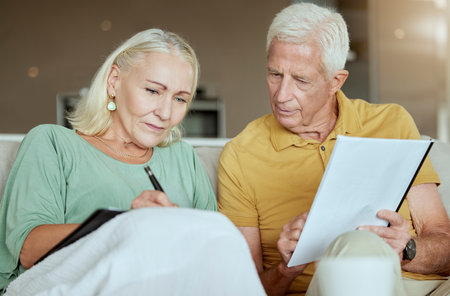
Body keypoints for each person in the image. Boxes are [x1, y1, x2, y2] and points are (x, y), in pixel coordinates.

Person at [0, 29, 264, 295]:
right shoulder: (53, 143)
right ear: (114, 81)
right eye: (152, 90)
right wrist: (128, 223)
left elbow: (213, 253)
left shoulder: (184, 158)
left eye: (180, 99)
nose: (165, 113)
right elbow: (29, 249)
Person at [217, 3, 450, 296]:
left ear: (335, 82)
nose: (281, 94)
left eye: (300, 80)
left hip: (421, 285)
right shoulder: (241, 155)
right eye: (275, 74)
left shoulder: (392, 122)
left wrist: (408, 249)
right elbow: (244, 289)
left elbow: (445, 243)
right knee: (358, 247)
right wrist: (285, 270)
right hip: (324, 289)